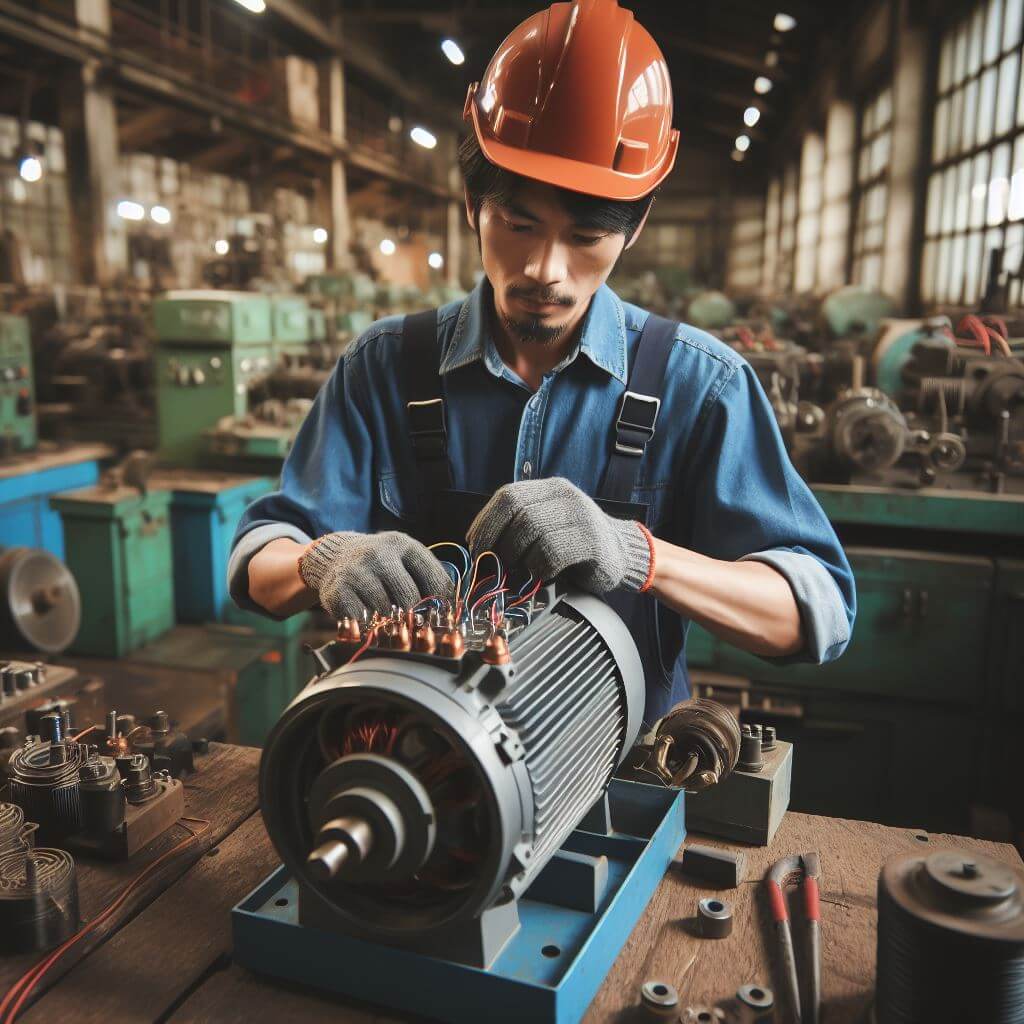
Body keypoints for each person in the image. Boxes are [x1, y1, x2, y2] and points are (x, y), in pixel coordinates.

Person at [228, 0, 855, 727]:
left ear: (636, 227)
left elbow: (816, 613)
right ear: (471, 204)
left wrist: (639, 554)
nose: (544, 269)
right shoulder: (385, 367)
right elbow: (259, 562)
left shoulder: (698, 385)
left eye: (585, 235)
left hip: (622, 778)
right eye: (518, 224)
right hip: (419, 762)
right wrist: (320, 561)